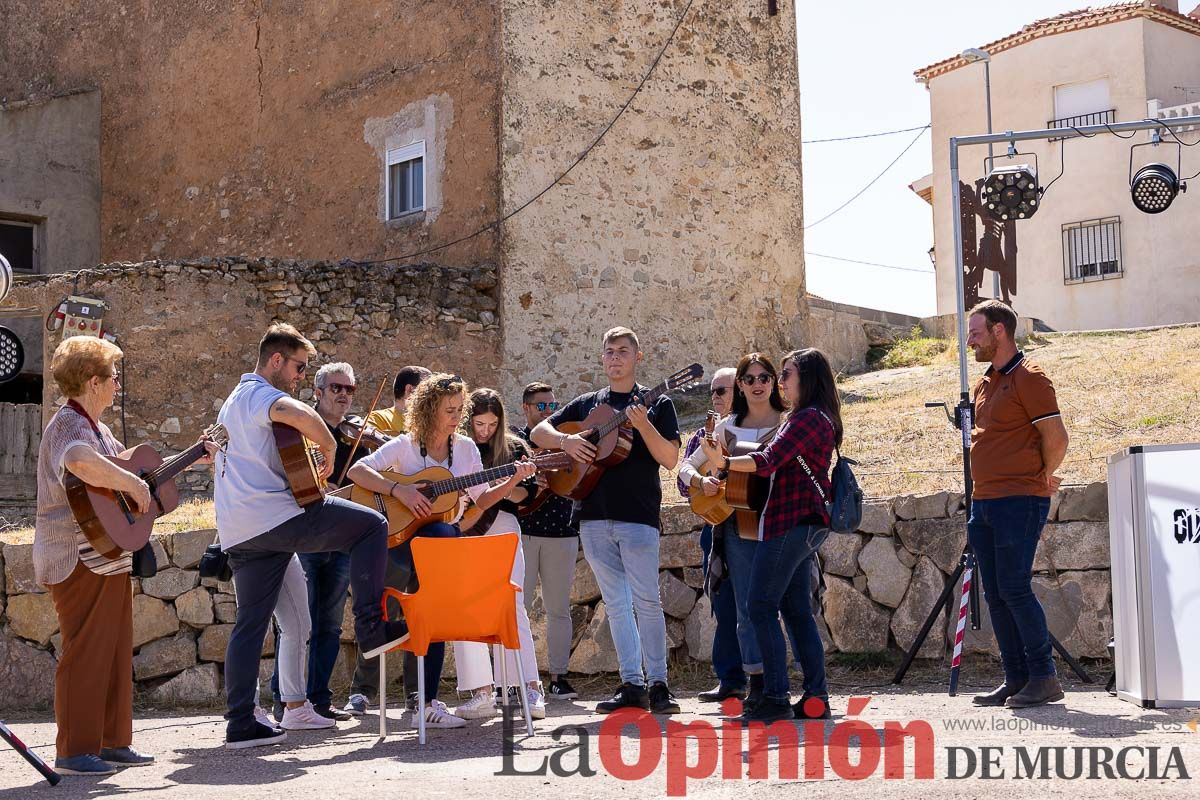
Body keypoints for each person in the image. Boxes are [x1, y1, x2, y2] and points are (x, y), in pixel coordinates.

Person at [215, 323, 407, 749]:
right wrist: (330, 446)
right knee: (372, 525)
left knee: (251, 624)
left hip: (240, 530)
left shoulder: (232, 400)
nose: (301, 376)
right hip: (277, 518)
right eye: (299, 367)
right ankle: (372, 627)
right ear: (276, 360)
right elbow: (296, 414)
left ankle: (241, 721)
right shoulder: (262, 394)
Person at [34, 337, 212, 775]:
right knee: (86, 651)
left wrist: (191, 459)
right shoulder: (68, 427)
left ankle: (112, 743)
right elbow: (79, 461)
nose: (118, 385)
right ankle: (74, 751)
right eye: (113, 377)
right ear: (93, 382)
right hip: (74, 557)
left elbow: (132, 476)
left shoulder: (101, 430)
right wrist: (133, 487)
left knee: (113, 652)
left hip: (105, 554)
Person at [347, 374, 535, 730]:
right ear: (430, 409)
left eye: (459, 410)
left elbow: (481, 499)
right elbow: (358, 471)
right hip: (400, 544)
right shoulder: (406, 444)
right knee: (435, 546)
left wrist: (511, 481)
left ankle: (425, 700)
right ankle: (412, 685)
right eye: (449, 409)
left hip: (438, 546)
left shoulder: (463, 449)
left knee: (437, 562)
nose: (455, 416)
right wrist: (398, 491)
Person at [532, 326, 682, 715]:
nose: (615, 357)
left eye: (623, 351)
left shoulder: (659, 403)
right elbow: (538, 430)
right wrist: (566, 442)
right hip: (593, 517)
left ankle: (660, 684)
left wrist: (643, 423)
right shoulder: (587, 404)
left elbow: (669, 458)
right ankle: (632, 684)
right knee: (617, 604)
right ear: (602, 358)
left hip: (638, 516)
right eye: (609, 351)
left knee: (648, 600)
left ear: (638, 357)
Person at [703, 348, 839, 723]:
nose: (779, 381)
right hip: (799, 526)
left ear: (807, 377)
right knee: (796, 612)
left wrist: (726, 462)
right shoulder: (810, 417)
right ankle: (816, 699)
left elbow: (768, 460)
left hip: (790, 525)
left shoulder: (808, 418)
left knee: (760, 607)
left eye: (786, 373)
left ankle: (776, 698)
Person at [965, 300, 1069, 709]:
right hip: (984, 501)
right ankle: (1015, 678)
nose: (970, 339)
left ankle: (1044, 677)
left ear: (999, 332)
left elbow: (1057, 437)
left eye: (976, 332)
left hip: (1019, 500)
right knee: (995, 592)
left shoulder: (1030, 378)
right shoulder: (985, 382)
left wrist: (1042, 474)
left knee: (1013, 587)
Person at [683, 356, 786, 713]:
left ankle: (784, 686)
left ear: (774, 381)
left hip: (780, 525)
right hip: (739, 526)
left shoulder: (788, 424)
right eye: (749, 378)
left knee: (787, 608)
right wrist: (702, 481)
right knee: (745, 609)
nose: (757, 384)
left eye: (764, 377)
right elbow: (685, 467)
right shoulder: (727, 428)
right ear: (740, 385)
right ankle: (756, 685)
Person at [269, 362, 367, 723]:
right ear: (318, 392)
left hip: (339, 542)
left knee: (329, 625)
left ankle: (319, 700)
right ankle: (286, 698)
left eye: (350, 389)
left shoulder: (356, 439)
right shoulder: (301, 431)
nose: (343, 394)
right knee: (298, 623)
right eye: (336, 387)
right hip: (306, 539)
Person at [453, 388, 546, 721]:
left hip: (502, 525)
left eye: (492, 424)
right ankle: (481, 692)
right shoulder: (456, 447)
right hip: (464, 528)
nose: (485, 431)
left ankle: (529, 687)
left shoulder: (514, 447)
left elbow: (524, 497)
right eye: (479, 423)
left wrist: (514, 479)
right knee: (467, 607)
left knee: (512, 603)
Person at [675, 367, 747, 703]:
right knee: (723, 603)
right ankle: (730, 678)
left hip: (748, 523)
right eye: (713, 391)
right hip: (716, 527)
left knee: (753, 605)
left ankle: (763, 677)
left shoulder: (751, 427)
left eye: (723, 390)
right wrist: (701, 481)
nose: (716, 396)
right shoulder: (702, 436)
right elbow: (681, 480)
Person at [515, 382, 580, 701]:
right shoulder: (515, 442)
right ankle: (515, 678)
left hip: (562, 530)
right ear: (526, 408)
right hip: (523, 530)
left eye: (553, 405)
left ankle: (559, 676)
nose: (550, 411)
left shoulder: (564, 436)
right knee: (518, 608)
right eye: (541, 406)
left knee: (558, 609)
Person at [365, 365, 431, 438]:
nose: (432, 395)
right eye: (428, 389)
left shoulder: (430, 423)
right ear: (410, 390)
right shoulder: (378, 418)